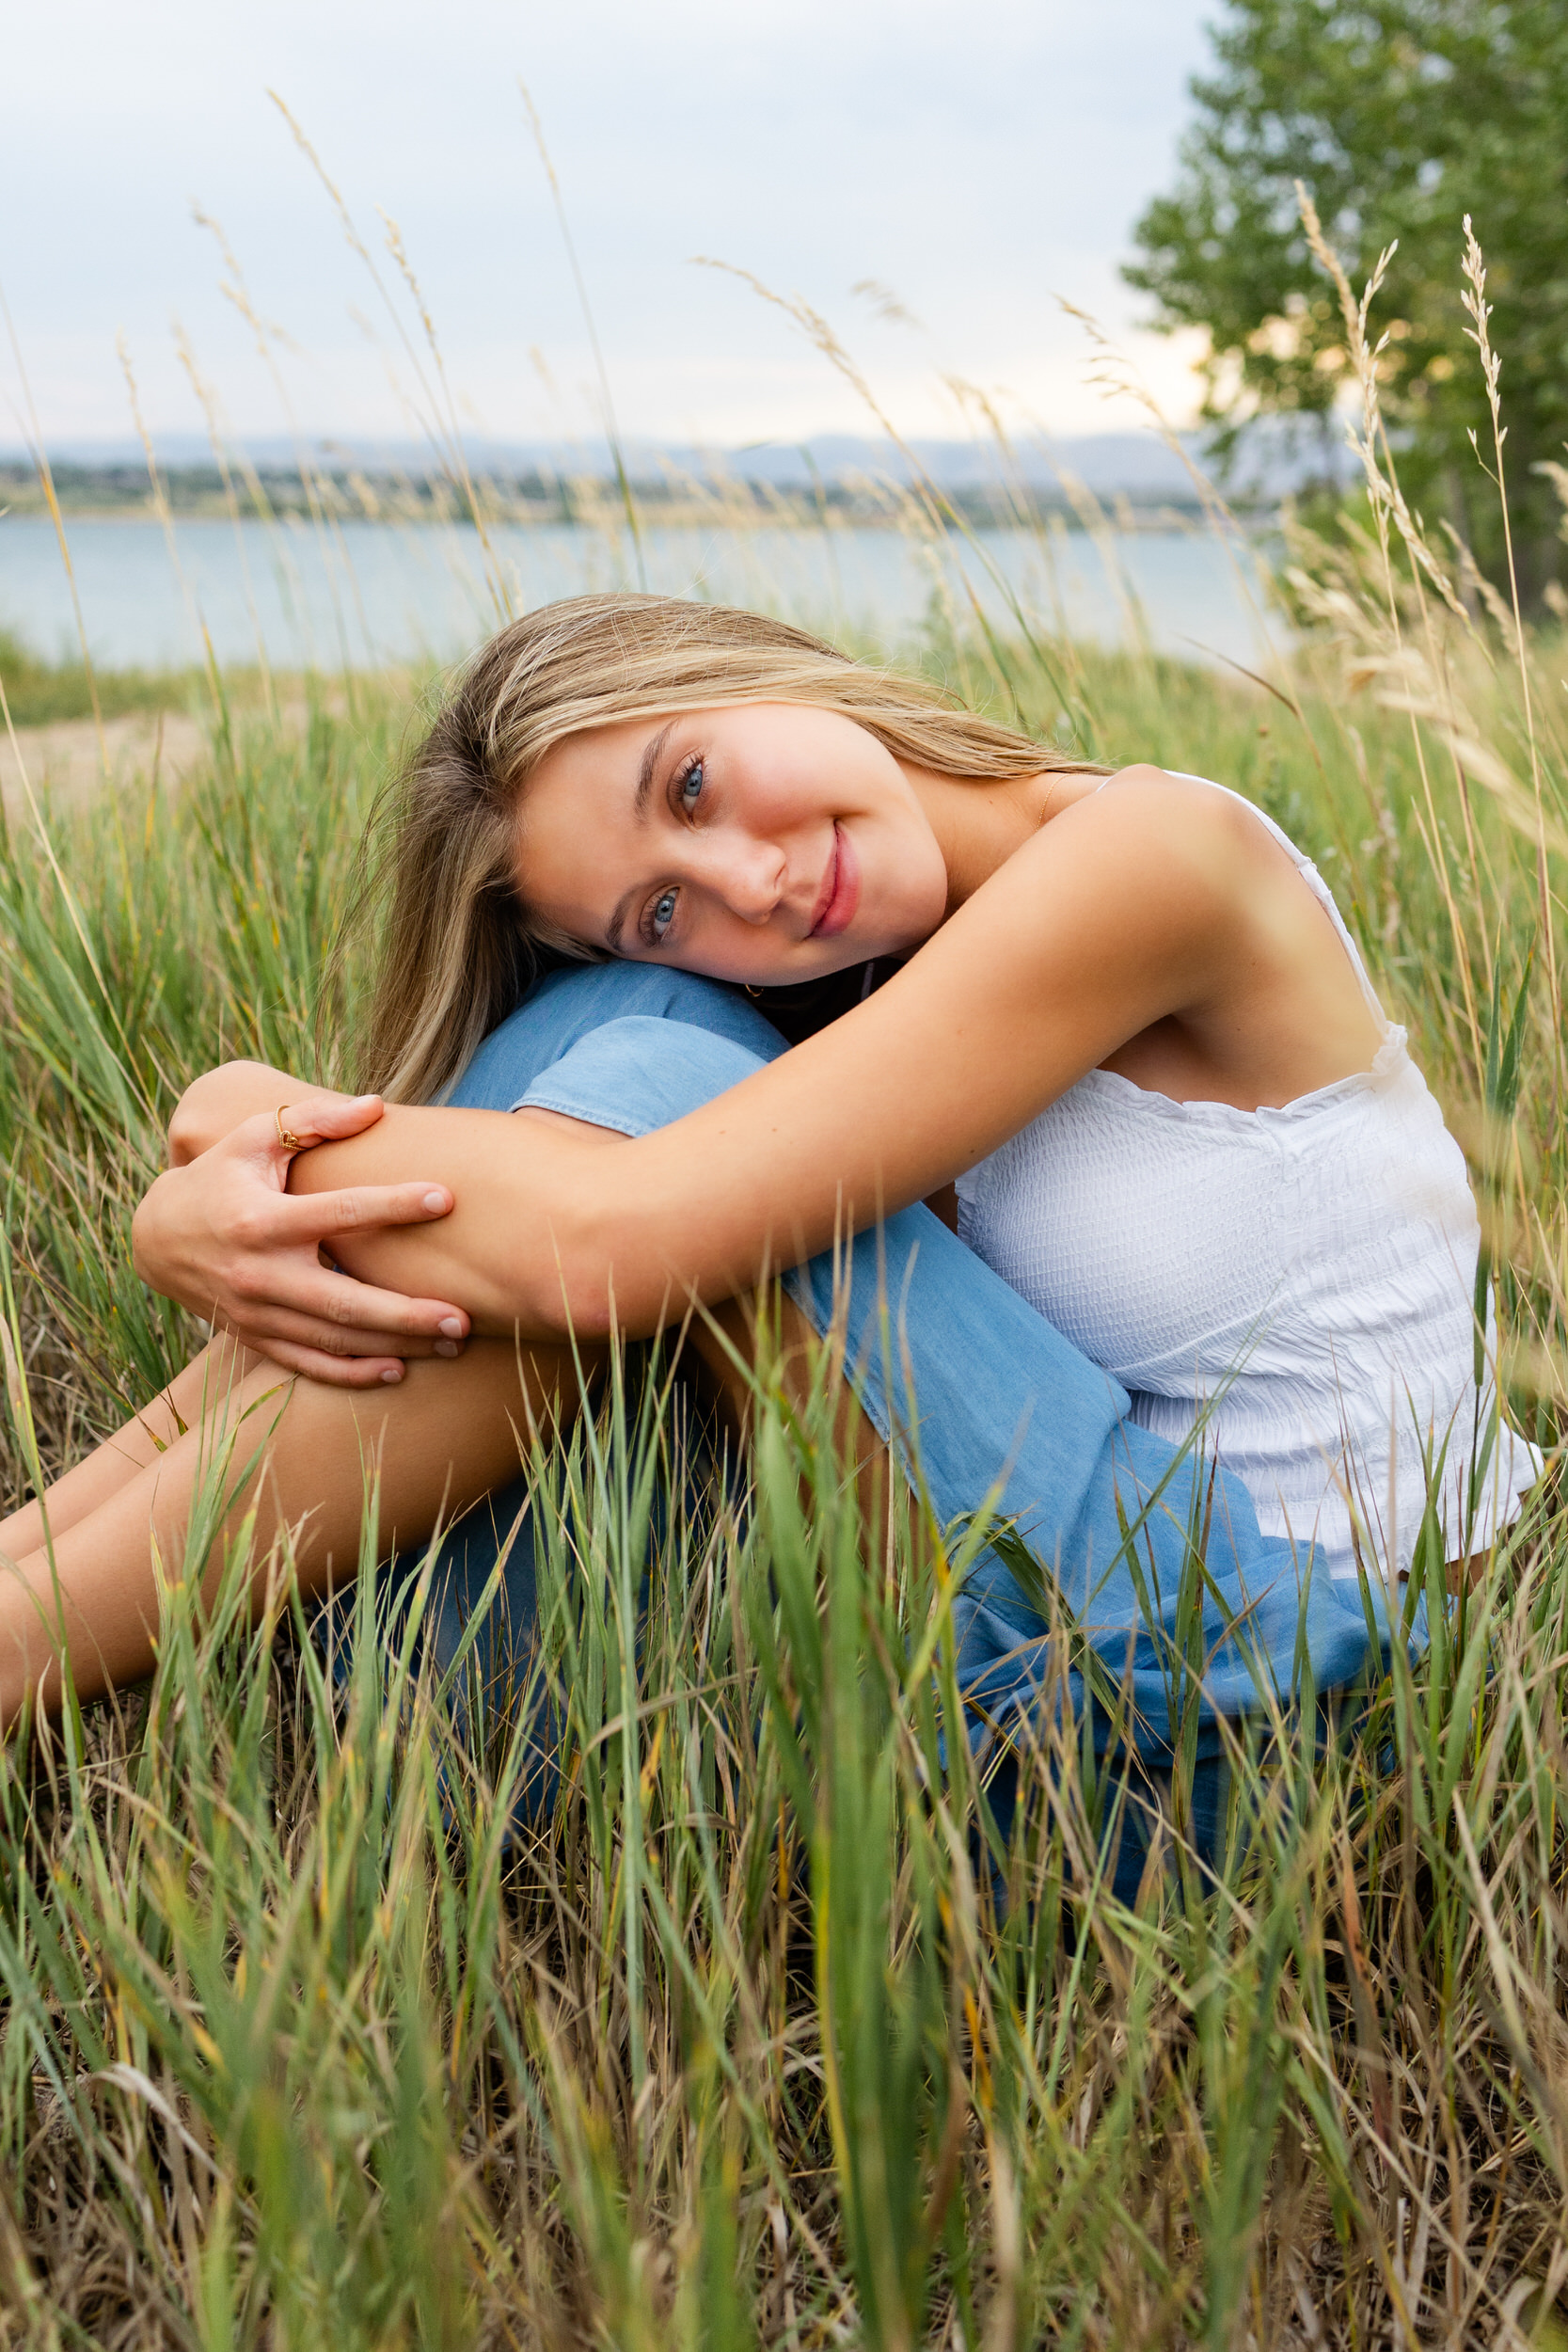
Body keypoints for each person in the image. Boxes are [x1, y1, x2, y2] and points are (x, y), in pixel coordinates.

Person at [0, 596, 1539, 1787]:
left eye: (692, 781)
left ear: (756, 665)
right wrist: (222, 1166)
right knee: (615, 1036)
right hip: (1048, 1632)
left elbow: (606, 1248)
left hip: (1287, 1697)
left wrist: (233, 1126)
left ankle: (25, 1654)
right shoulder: (851, 972)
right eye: (660, 904)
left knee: (639, 1125)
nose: (750, 882)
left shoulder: (1164, 854)